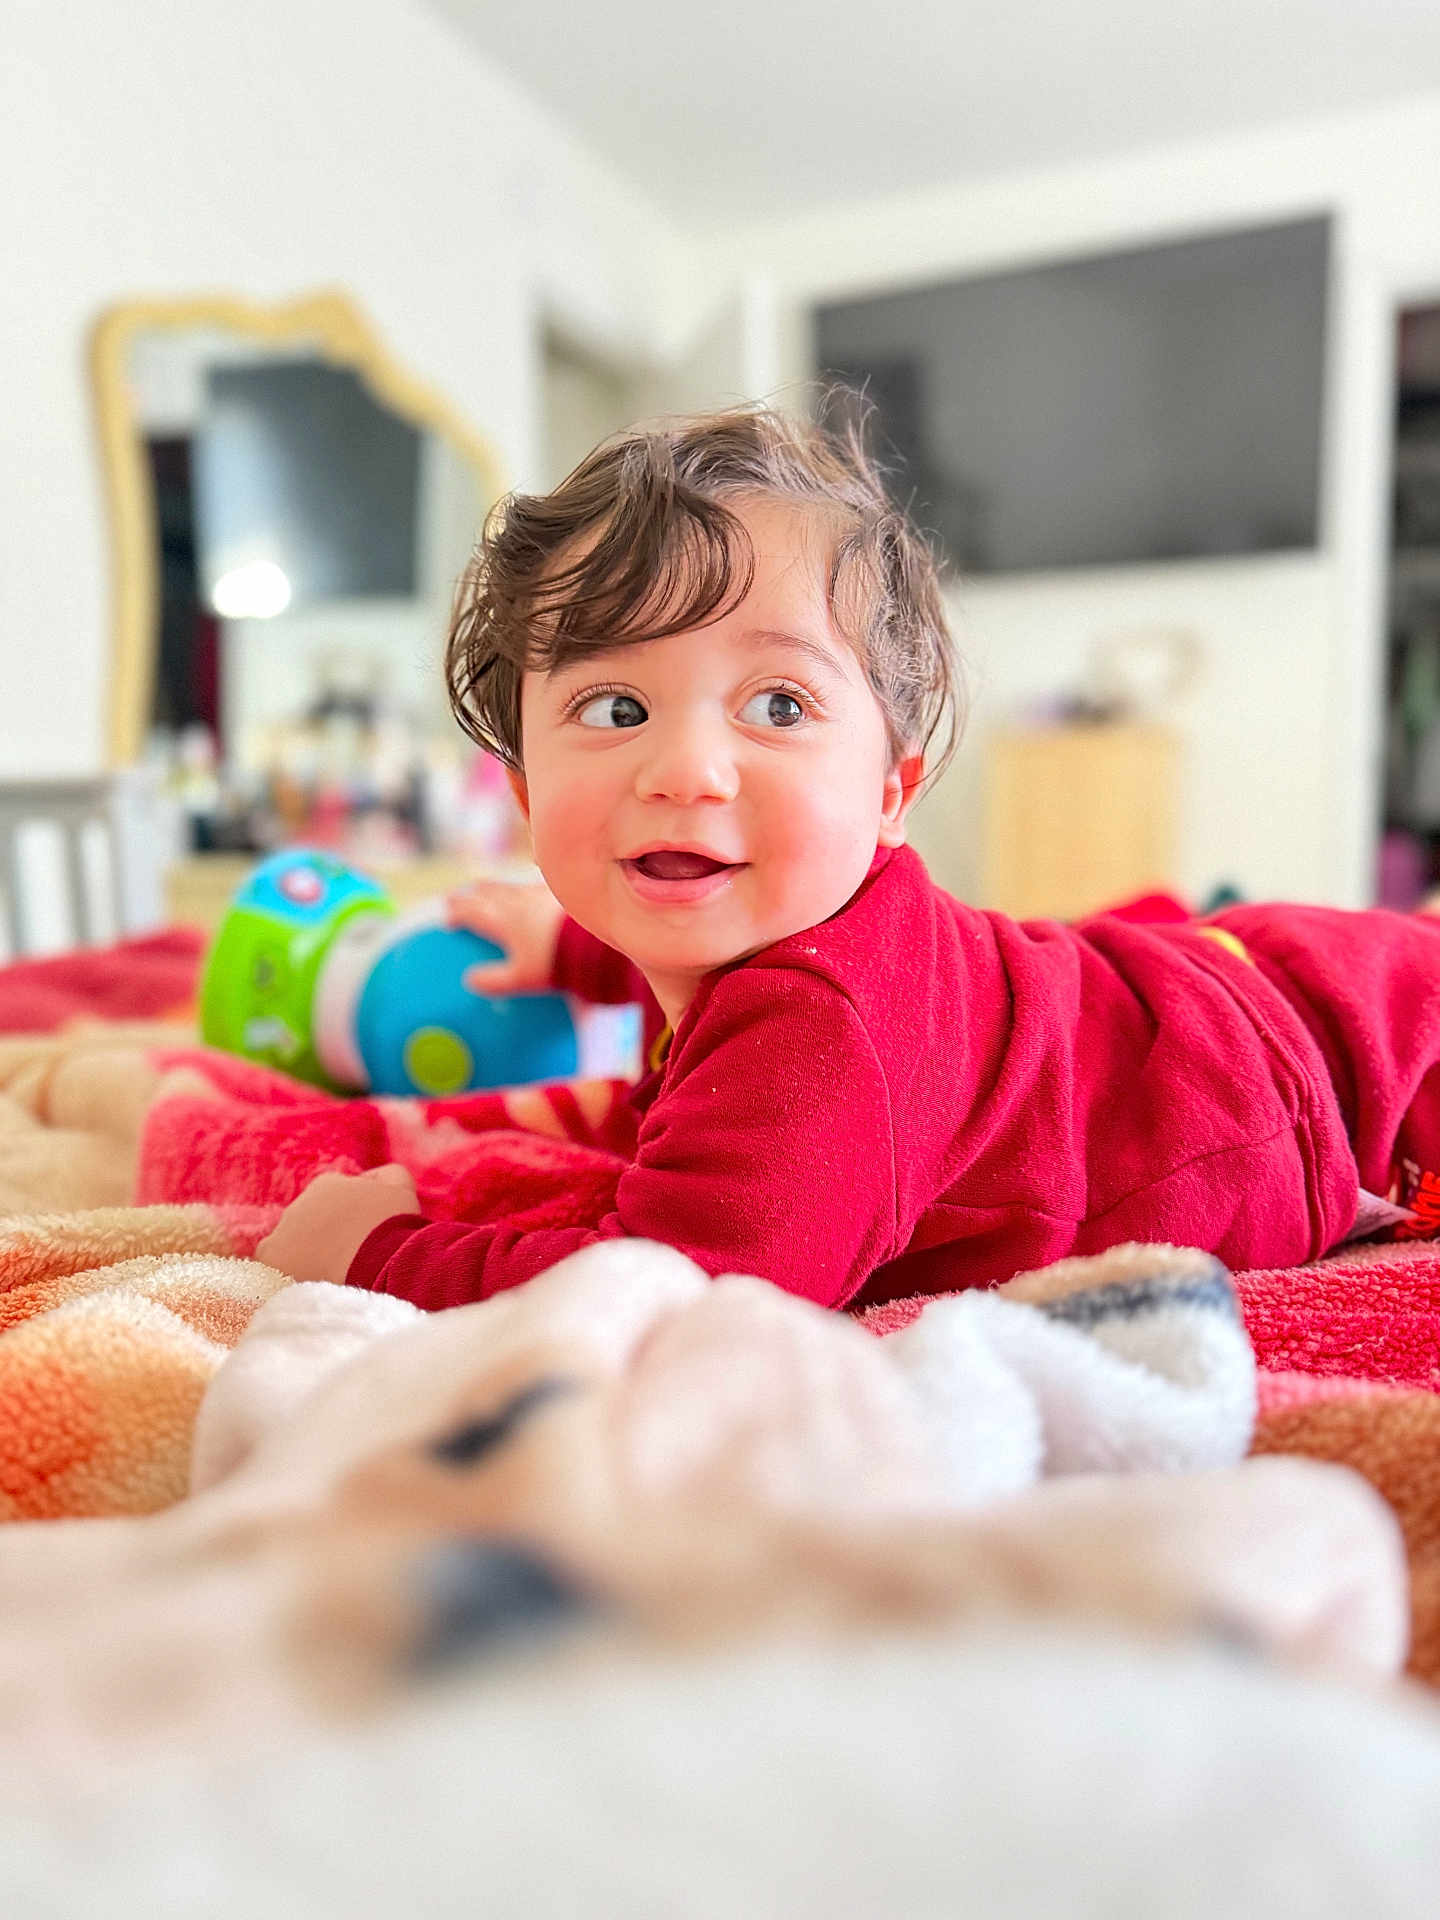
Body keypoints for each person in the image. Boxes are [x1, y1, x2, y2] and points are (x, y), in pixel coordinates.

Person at [257, 402, 1440, 1311]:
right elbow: (714, 935)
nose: (687, 771)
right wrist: (573, 947)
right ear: (524, 792)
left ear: (890, 793)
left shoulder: (818, 1032)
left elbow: (680, 1300)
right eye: (616, 708)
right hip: (1220, 992)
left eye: (777, 705)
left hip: (1338, 1070)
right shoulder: (797, 936)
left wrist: (374, 1254)